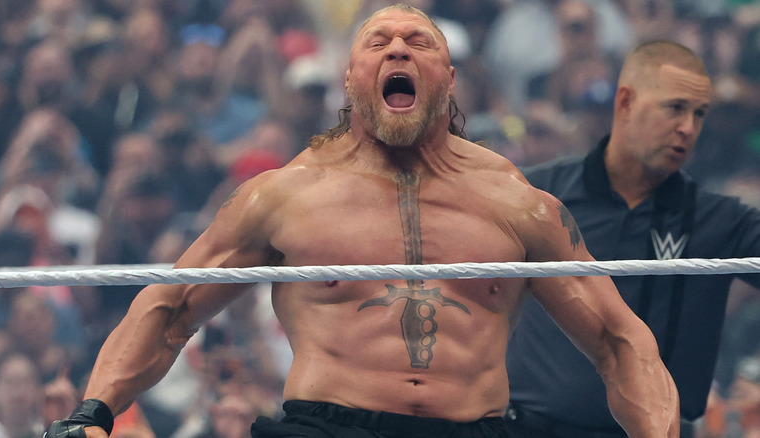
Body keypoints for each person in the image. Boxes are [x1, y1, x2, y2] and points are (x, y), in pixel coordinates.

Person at [45, 5, 679, 438]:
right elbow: (170, 308)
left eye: (418, 43)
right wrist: (92, 413)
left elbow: (618, 340)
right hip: (325, 424)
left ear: (449, 79)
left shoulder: (519, 204)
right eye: (377, 44)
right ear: (350, 79)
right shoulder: (283, 197)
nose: (397, 48)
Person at [505, 40, 760, 438]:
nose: (688, 128)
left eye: (699, 114)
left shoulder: (719, 220)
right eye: (675, 107)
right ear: (625, 101)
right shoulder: (538, 193)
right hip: (529, 428)